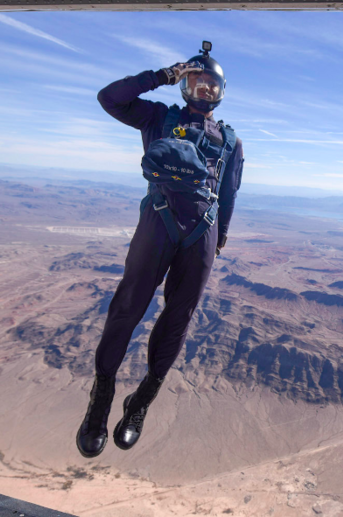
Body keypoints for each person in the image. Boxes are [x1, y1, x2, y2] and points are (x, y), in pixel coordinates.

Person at [76, 42, 244, 458]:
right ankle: (101, 398)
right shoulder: (157, 116)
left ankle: (141, 401)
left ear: (221, 91)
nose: (204, 91)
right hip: (158, 220)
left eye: (211, 85)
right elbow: (109, 98)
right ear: (184, 84)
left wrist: (219, 236)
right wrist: (160, 76)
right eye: (195, 82)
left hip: (201, 232)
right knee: (128, 306)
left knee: (178, 318)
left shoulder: (231, 140)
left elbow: (229, 191)